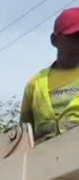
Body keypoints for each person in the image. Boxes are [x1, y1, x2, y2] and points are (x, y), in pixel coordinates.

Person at [20, 9, 79, 142]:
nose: (77, 44)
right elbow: (23, 135)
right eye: (72, 37)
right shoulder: (35, 83)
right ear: (54, 40)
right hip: (45, 160)